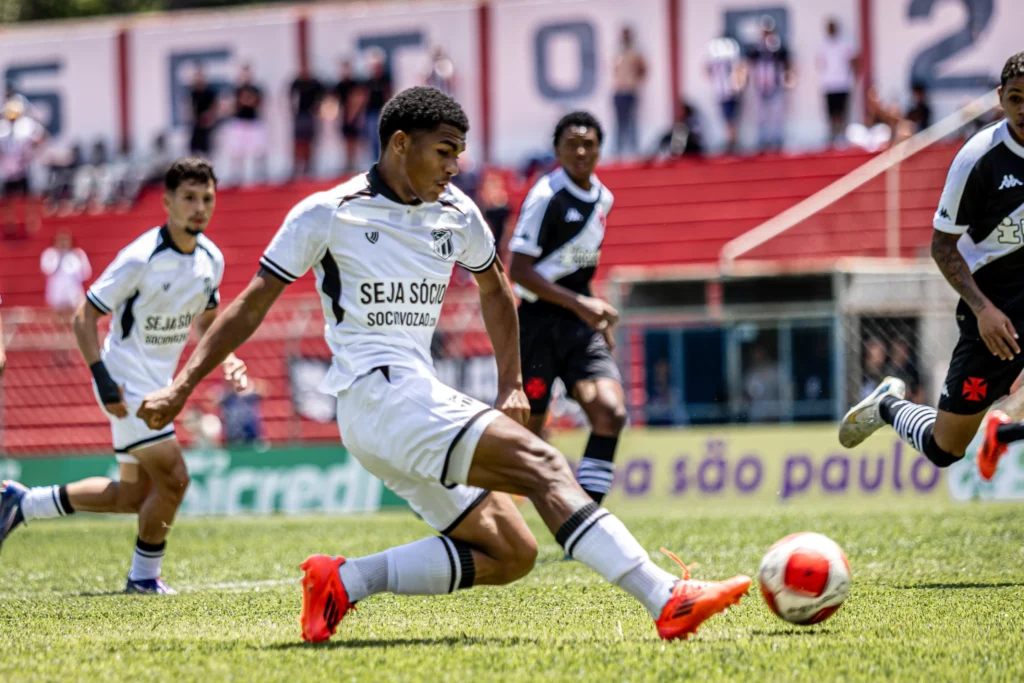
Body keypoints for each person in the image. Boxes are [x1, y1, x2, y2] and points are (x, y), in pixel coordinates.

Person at [132, 87, 750, 642]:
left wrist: (512, 384)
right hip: (377, 395)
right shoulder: (330, 211)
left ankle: (343, 581)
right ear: (401, 144)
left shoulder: (456, 211)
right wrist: (183, 386)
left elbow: (497, 288)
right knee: (542, 464)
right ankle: (665, 597)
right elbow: (249, 306)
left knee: (511, 552)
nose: (455, 166)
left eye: (459, 153)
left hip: (404, 403)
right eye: (445, 151)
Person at [0, 158, 248, 593]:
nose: (199, 208)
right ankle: (144, 578)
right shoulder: (140, 258)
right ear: (167, 202)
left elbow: (207, 321)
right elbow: (84, 316)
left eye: (206, 199)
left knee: (132, 495)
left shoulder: (212, 260)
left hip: (157, 386)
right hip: (126, 385)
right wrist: (101, 377)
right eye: (189, 198)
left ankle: (23, 502)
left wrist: (227, 357)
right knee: (175, 479)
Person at [840, 52, 1024, 485]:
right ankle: (888, 405)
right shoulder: (979, 158)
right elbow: (942, 247)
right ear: (1000, 97)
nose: (1023, 109)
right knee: (946, 448)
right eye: (1016, 98)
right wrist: (983, 310)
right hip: (995, 313)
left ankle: (1004, 433)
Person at [507, 111, 626, 506]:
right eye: (571, 144)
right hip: (537, 325)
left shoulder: (604, 199)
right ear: (556, 150)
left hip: (579, 326)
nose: (580, 151)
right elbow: (519, 270)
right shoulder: (546, 196)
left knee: (610, 412)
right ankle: (477, 504)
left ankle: (586, 518)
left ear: (599, 149)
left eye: (588, 144)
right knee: (527, 431)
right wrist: (582, 304)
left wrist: (595, 317)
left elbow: (576, 268)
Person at [748, 17, 795, 153]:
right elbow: (750, 62)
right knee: (760, 116)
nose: (766, 34)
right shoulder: (757, 47)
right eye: (764, 32)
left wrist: (788, 80)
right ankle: (762, 140)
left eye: (769, 31)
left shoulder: (778, 46)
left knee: (776, 114)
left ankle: (777, 140)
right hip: (760, 86)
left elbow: (787, 62)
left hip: (776, 85)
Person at [817, 18, 858, 147]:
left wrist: (853, 78)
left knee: (842, 112)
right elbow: (820, 63)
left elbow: (854, 62)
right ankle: (832, 137)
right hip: (829, 85)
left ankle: (842, 136)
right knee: (831, 114)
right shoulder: (823, 46)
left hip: (842, 84)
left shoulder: (845, 45)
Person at [227, 64, 268, 183]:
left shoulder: (256, 89)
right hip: (240, 123)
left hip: (254, 122)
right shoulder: (236, 90)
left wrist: (249, 101)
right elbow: (232, 106)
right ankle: (236, 175)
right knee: (237, 151)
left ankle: (260, 175)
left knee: (259, 151)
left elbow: (259, 104)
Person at [705, 36, 746, 154]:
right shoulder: (715, 61)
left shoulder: (731, 60)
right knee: (726, 118)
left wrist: (737, 88)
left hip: (730, 92)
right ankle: (730, 140)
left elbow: (740, 72)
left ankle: (732, 141)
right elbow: (708, 71)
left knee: (731, 118)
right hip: (721, 93)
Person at [611, 27, 647, 158]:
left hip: (630, 91)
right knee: (619, 123)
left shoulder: (635, 54)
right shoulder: (618, 53)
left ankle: (634, 150)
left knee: (632, 121)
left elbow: (643, 70)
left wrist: (634, 82)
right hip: (619, 92)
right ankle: (618, 150)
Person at [41, 228, 91, 314]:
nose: (63, 243)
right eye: (61, 241)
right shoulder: (50, 254)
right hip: (56, 292)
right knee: (58, 317)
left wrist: (79, 259)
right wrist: (59, 256)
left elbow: (86, 274)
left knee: (74, 317)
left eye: (65, 240)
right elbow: (47, 270)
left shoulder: (78, 254)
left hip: (73, 291)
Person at [290, 65, 325, 179]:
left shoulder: (315, 83)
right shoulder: (296, 82)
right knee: (298, 142)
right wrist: (293, 111)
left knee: (310, 142)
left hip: (311, 116)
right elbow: (291, 97)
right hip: (300, 115)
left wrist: (317, 109)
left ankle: (308, 167)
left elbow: (323, 97)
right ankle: (297, 166)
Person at [332, 60, 366, 172]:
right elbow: (335, 101)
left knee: (354, 140)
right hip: (343, 115)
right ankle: (348, 162)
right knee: (346, 140)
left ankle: (353, 162)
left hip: (354, 116)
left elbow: (359, 98)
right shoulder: (339, 85)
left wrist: (352, 114)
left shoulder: (354, 84)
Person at [364, 52, 393, 162]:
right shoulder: (369, 81)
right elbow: (365, 98)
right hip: (371, 113)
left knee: (382, 139)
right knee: (372, 139)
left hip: (382, 112)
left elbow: (388, 96)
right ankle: (374, 161)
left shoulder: (385, 79)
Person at [188, 65, 218, 157]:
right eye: (197, 77)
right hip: (196, 125)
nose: (199, 79)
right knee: (193, 150)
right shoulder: (193, 93)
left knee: (208, 152)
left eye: (200, 77)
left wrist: (210, 118)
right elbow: (190, 108)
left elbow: (215, 108)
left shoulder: (210, 93)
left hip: (207, 126)